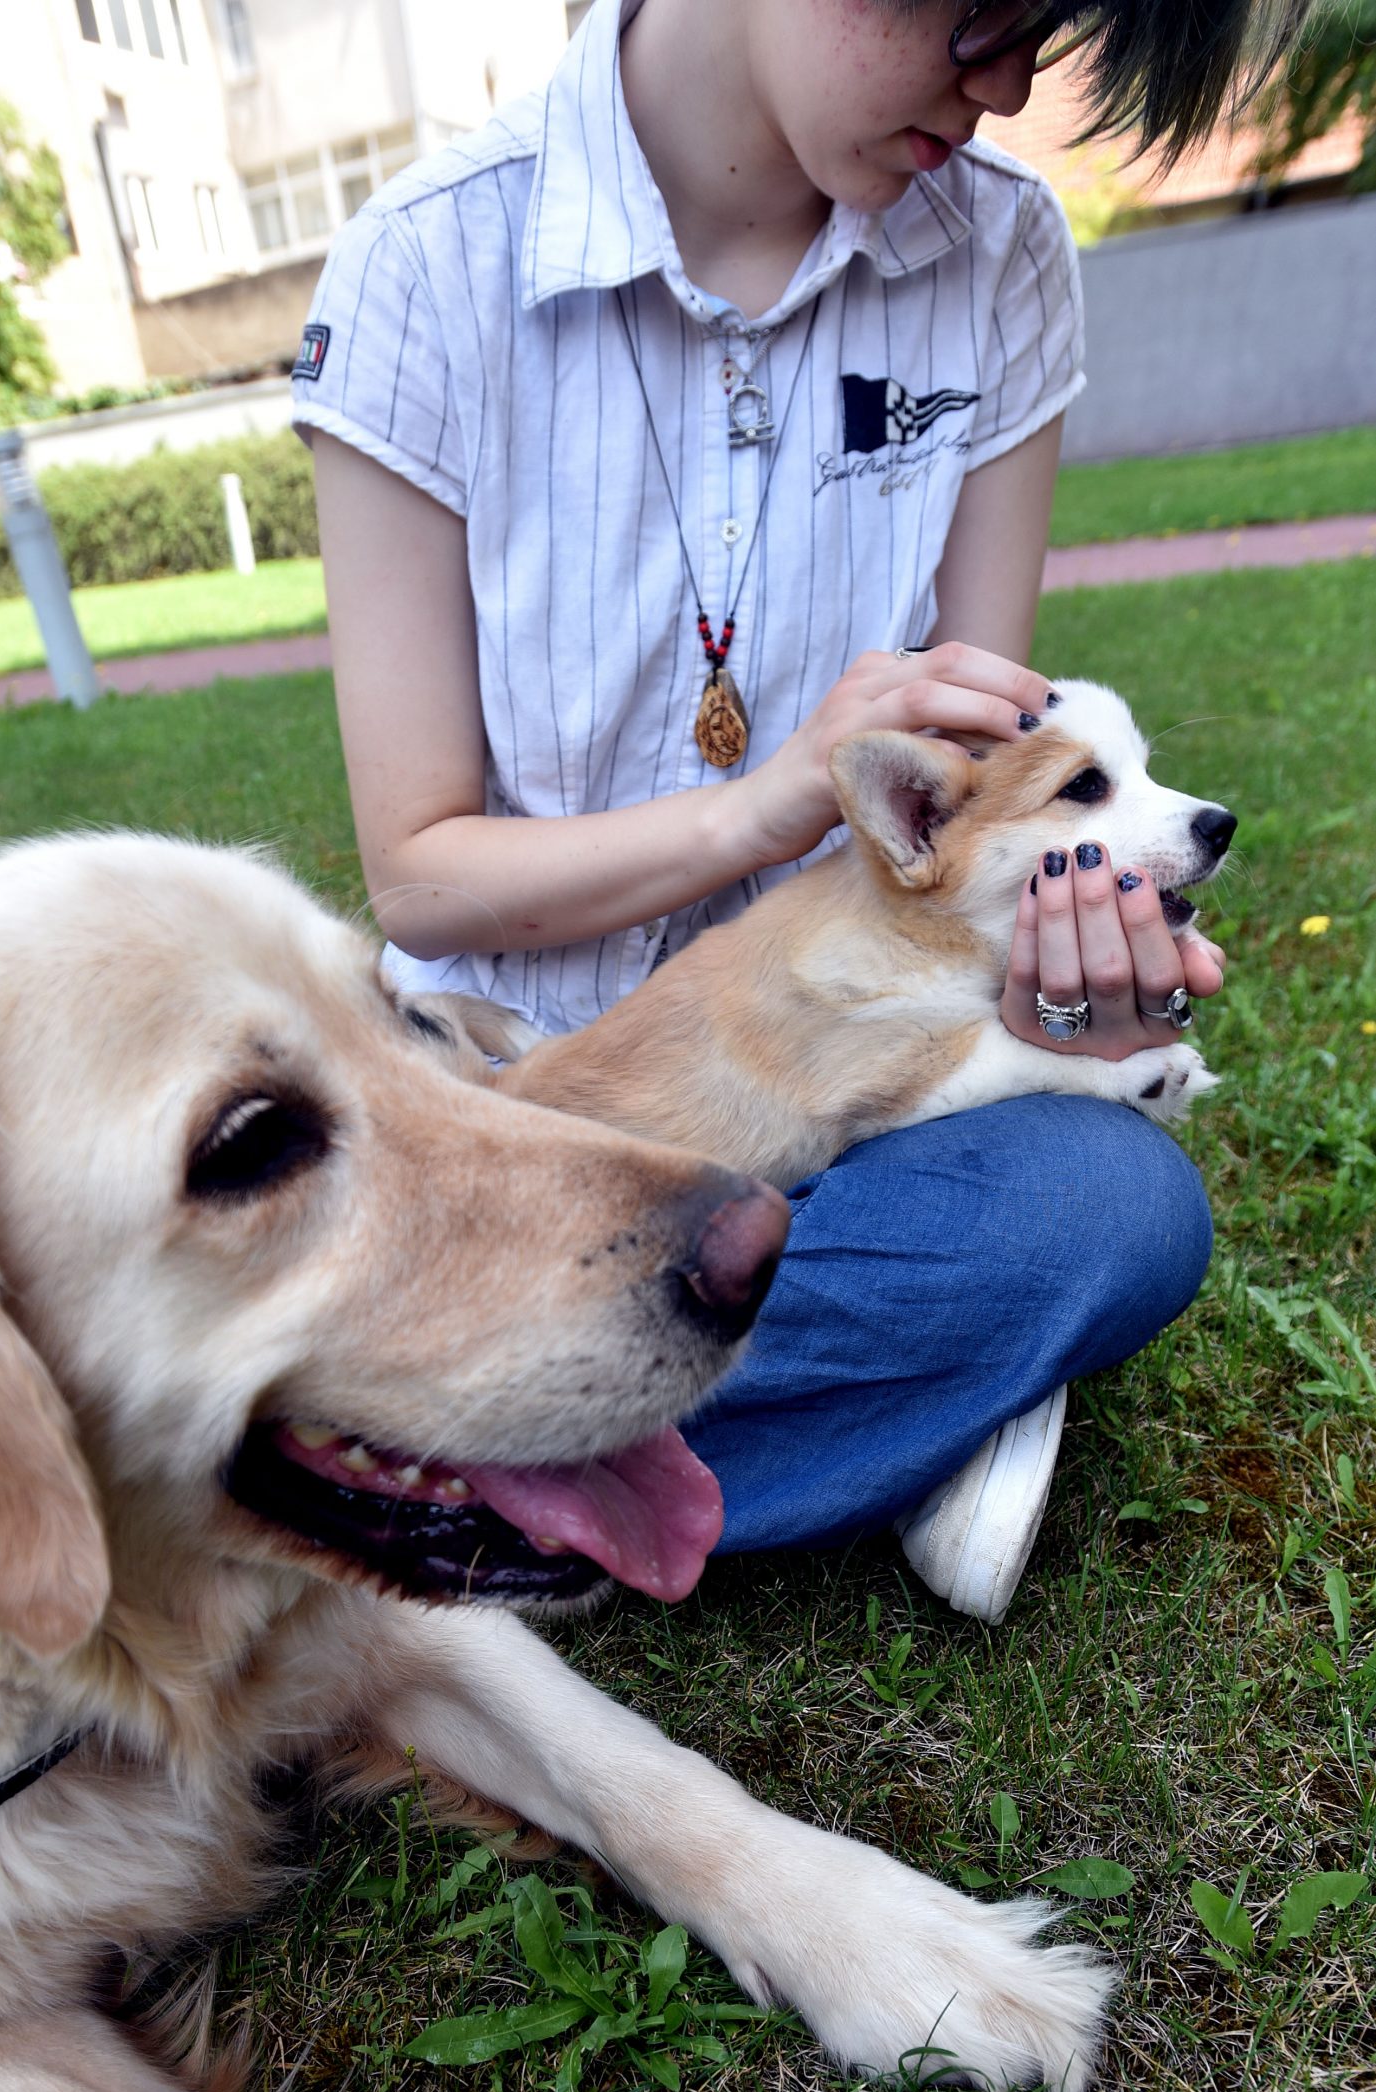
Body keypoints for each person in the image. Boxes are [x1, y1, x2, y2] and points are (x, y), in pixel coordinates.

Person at [291, 0, 1299, 1621]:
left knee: (1109, 1208)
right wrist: (763, 811)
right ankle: (863, 1413)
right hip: (524, 1107)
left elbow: (988, 757)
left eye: (1044, 36)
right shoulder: (428, 264)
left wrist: (1059, 974)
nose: (1008, 88)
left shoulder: (998, 251)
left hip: (872, 1058)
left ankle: (460, 1469)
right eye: (980, 16)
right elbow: (421, 878)